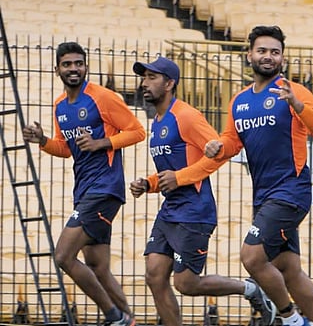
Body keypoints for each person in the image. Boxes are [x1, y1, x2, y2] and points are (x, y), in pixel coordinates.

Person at [128, 56, 277, 326]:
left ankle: (252, 290)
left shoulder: (186, 115)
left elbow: (218, 153)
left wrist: (180, 177)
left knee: (186, 283)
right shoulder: (158, 120)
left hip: (194, 212)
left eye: (152, 77)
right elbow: (173, 170)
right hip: (171, 209)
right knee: (154, 275)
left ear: (169, 83)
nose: (144, 83)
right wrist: (148, 184)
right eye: (144, 77)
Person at [203, 26, 313, 326]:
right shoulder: (239, 101)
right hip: (263, 196)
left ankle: (291, 320)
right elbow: (232, 142)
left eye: (275, 52)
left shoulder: (293, 90)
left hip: (291, 192)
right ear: (249, 55)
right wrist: (217, 147)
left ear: (282, 59)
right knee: (288, 269)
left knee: (251, 257)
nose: (268, 56)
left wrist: (297, 105)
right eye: (262, 50)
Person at [21, 42, 145, 326]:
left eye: (78, 63)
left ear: (86, 67)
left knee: (63, 255)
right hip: (85, 190)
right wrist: (42, 141)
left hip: (105, 188)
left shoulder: (103, 97)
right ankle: (129, 320)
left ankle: (114, 317)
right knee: (98, 266)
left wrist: (102, 142)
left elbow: (137, 131)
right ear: (57, 70)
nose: (73, 68)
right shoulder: (59, 106)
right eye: (67, 64)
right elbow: (66, 149)